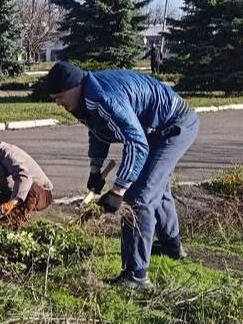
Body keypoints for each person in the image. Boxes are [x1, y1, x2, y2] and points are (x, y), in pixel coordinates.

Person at [46, 62, 198, 289]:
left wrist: (118, 191)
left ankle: (136, 276)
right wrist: (95, 171)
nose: (58, 103)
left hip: (175, 125)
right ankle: (172, 247)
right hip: (153, 128)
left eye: (59, 96)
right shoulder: (83, 99)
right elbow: (98, 131)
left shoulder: (103, 98)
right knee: (156, 185)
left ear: (74, 86)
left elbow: (136, 144)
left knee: (138, 197)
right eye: (54, 99)